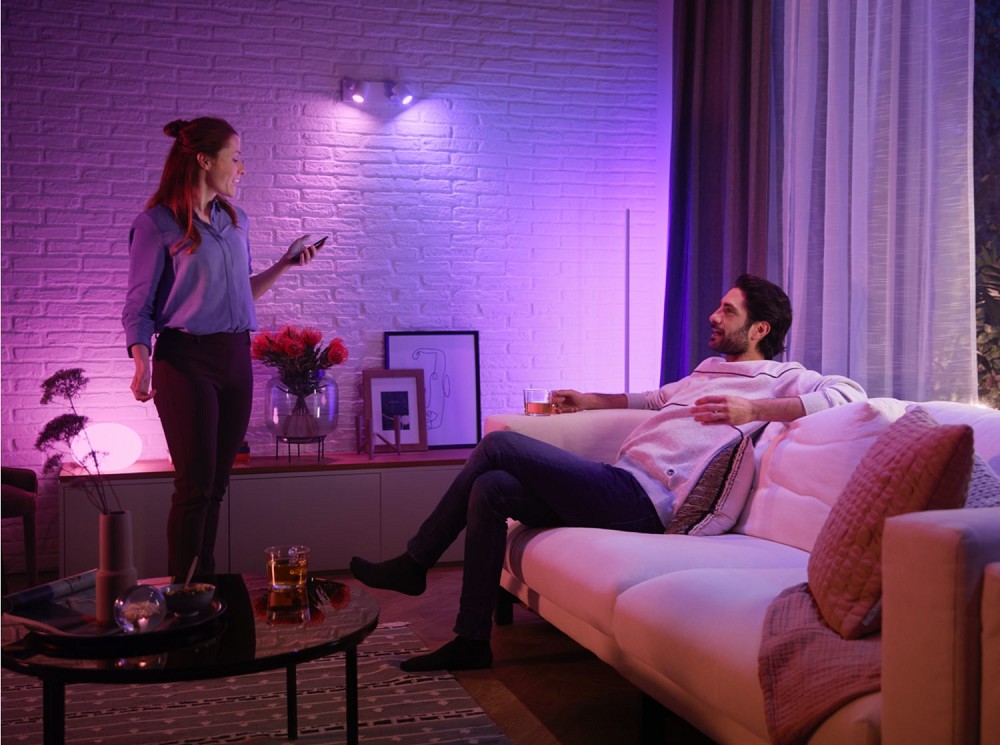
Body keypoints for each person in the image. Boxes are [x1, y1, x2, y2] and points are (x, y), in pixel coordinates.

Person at [350, 274, 867, 672]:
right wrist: (589, 399)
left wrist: (753, 411)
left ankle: (416, 562)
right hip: (619, 481)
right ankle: (471, 641)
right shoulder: (708, 370)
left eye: (727, 310)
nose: (713, 315)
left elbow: (849, 394)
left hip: (647, 502)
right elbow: (654, 398)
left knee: (498, 445)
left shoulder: (782, 377)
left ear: (760, 330)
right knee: (491, 488)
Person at [122, 117, 325, 581]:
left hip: (235, 358)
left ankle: (204, 587)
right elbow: (138, 306)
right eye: (235, 158)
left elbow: (240, 294)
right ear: (204, 160)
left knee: (216, 486)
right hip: (186, 360)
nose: (242, 168)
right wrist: (141, 362)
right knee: (194, 487)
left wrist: (285, 264)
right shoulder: (155, 224)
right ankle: (184, 593)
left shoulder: (236, 221)